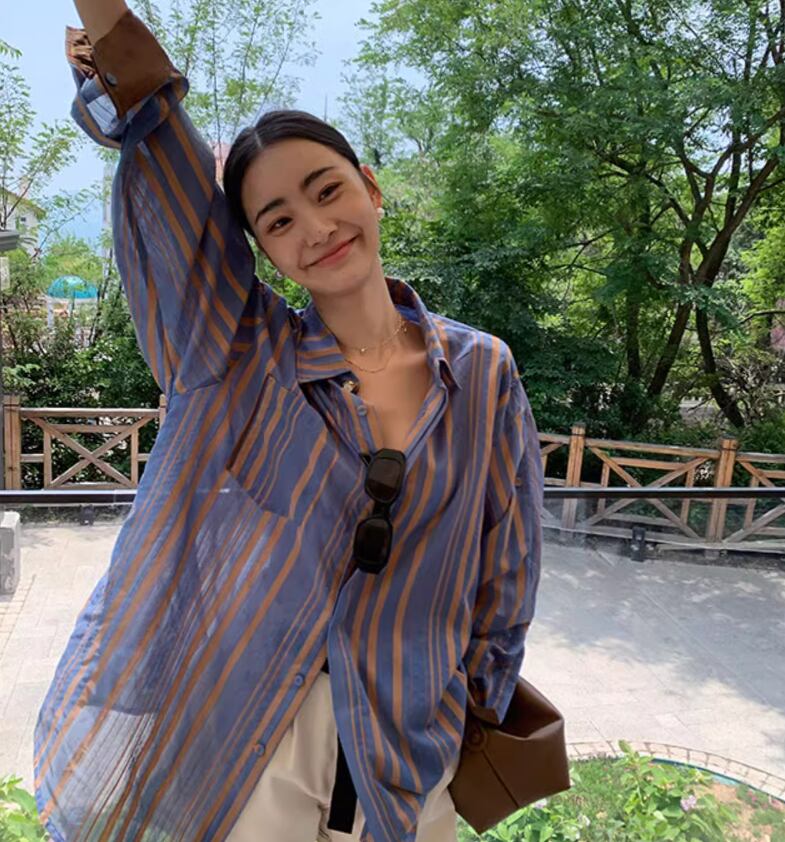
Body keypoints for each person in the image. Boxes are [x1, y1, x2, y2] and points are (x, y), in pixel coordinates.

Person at [33, 2, 544, 841]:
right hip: (253, 751)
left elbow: (507, 563)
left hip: (408, 754)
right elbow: (163, 166)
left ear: (371, 189)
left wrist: (471, 711)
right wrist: (111, 29)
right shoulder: (238, 358)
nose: (314, 228)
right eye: (276, 221)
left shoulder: (482, 371)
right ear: (261, 251)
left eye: (326, 190)